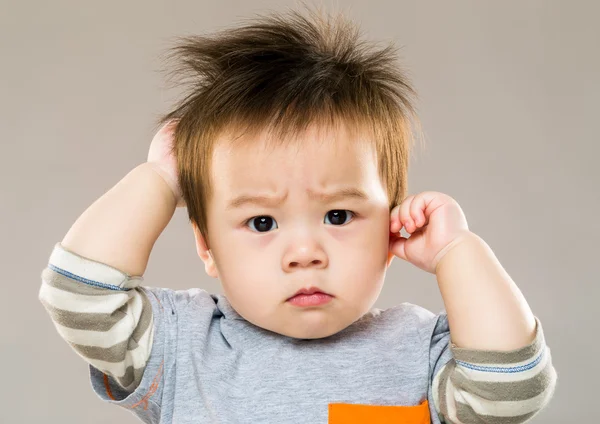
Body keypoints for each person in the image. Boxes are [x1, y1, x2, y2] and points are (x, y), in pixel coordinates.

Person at [39, 7, 557, 424]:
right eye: (262, 223)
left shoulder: (418, 350)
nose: (306, 253)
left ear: (391, 225)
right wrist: (160, 178)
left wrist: (456, 252)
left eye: (338, 215)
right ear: (207, 247)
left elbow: (510, 391)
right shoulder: (180, 349)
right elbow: (79, 295)